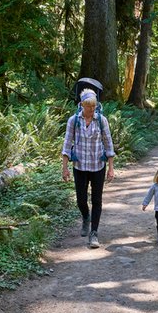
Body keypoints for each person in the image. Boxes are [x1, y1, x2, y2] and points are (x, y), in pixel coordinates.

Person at [62, 88, 115, 248]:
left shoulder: (101, 120)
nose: (91, 109)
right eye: (88, 106)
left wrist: (111, 168)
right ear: (82, 105)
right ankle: (86, 217)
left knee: (97, 200)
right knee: (80, 199)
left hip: (98, 165)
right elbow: (67, 144)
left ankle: (94, 234)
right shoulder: (74, 120)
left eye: (94, 106)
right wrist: (64, 168)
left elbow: (108, 143)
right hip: (80, 165)